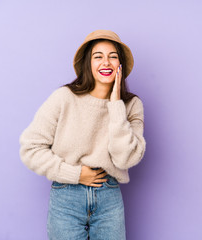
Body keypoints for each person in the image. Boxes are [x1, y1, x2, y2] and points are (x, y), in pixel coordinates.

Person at [19, 30, 146, 239]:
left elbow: (126, 158)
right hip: (66, 197)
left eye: (113, 56)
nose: (106, 62)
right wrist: (75, 174)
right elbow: (30, 148)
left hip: (109, 197)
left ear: (120, 65)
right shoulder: (64, 98)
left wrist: (115, 105)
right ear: (88, 63)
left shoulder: (131, 105)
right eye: (98, 56)